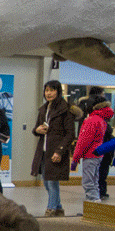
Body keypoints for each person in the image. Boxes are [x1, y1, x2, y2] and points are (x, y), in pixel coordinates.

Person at [32, 80, 78, 216]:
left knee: (52, 182)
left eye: (52, 90)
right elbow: (36, 129)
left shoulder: (66, 110)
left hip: (56, 151)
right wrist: (37, 130)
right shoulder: (43, 109)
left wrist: (60, 151)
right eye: (46, 90)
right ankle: (58, 207)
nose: (48, 93)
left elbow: (70, 134)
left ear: (58, 92)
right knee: (47, 183)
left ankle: (51, 209)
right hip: (44, 151)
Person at [71, 94, 114, 202]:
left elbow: (84, 141)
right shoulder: (102, 119)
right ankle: (95, 204)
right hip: (98, 155)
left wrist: (75, 158)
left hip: (90, 155)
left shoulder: (92, 120)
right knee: (94, 181)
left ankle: (94, 205)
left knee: (88, 182)